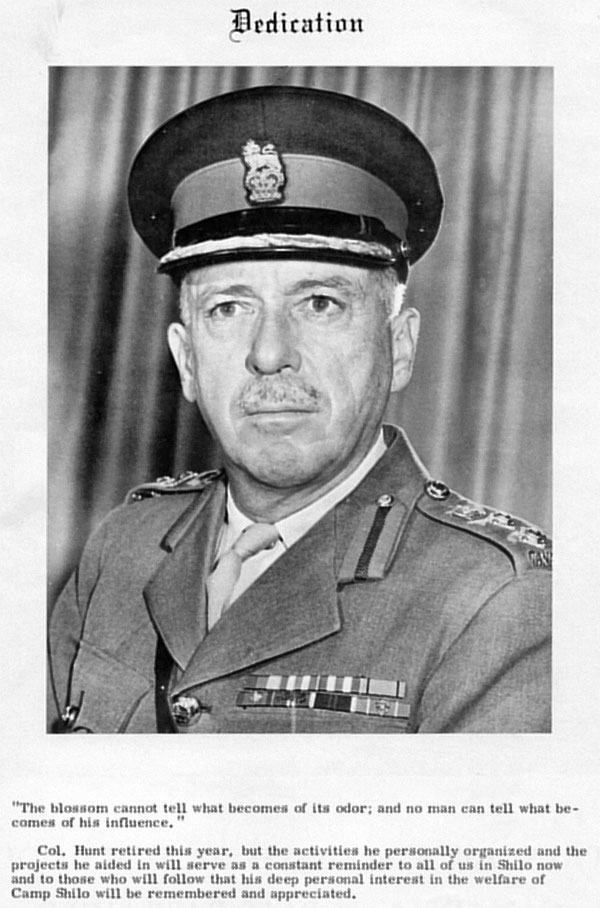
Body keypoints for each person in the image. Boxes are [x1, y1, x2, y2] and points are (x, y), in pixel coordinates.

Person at [47, 85, 551, 734]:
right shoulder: (123, 547)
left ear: (399, 347)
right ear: (186, 359)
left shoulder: (501, 601)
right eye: (228, 307)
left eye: (319, 303)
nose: (269, 354)